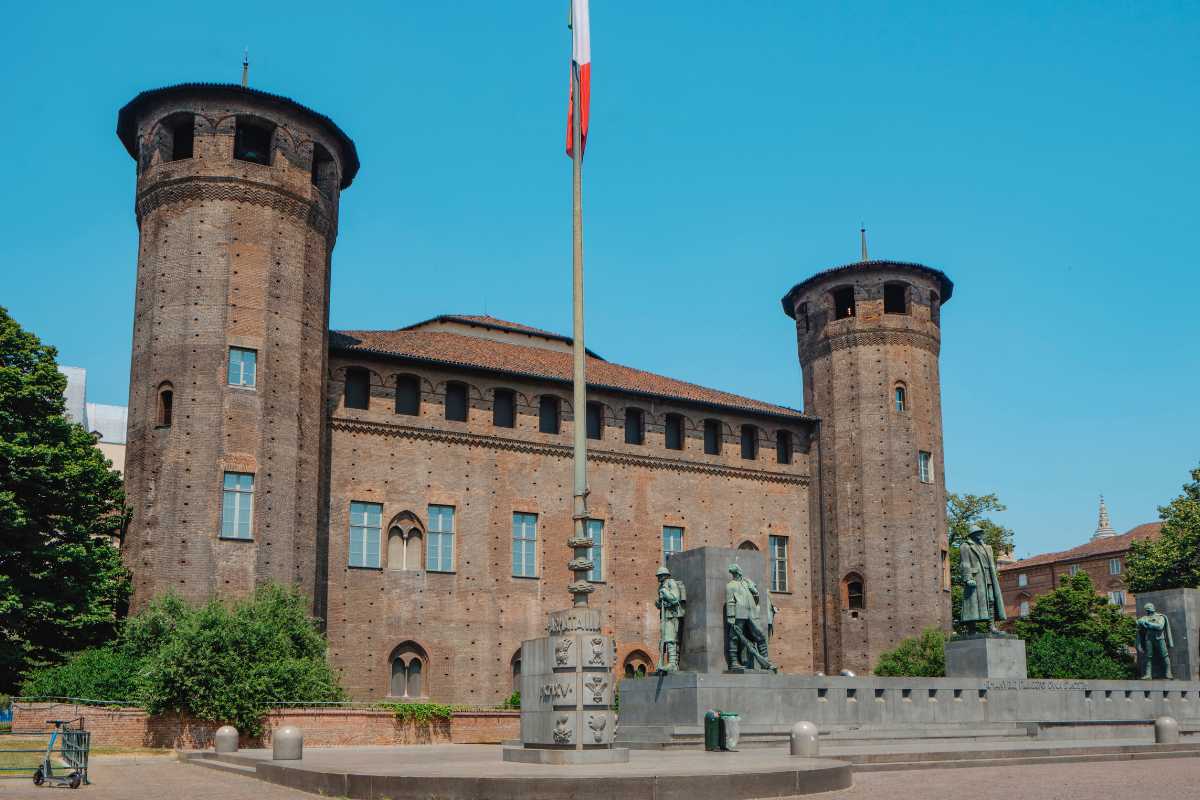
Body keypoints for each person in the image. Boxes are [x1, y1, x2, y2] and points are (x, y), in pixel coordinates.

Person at [724, 563, 773, 671]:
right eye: (738, 571)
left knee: (760, 634)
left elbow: (756, 599)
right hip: (739, 613)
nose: (740, 572)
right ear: (736, 572)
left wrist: (755, 591)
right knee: (734, 637)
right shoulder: (730, 585)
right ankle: (734, 662)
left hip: (752, 613)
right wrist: (731, 617)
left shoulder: (747, 583)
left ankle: (765, 660)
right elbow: (730, 602)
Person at [959, 525, 1006, 634]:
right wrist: (968, 577)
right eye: (978, 532)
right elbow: (964, 563)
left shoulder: (987, 547)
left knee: (991, 601)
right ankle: (972, 629)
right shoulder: (965, 546)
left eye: (981, 532)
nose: (980, 534)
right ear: (972, 534)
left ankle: (991, 627)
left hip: (988, 576)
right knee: (973, 603)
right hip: (976, 577)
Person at [655, 565, 686, 672]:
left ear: (665, 575)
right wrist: (658, 602)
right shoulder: (661, 586)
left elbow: (675, 598)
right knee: (663, 639)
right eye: (658, 576)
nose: (658, 578)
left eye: (660, 576)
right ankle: (664, 662)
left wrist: (665, 593)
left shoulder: (671, 583)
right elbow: (659, 604)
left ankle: (673, 663)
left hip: (672, 615)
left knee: (670, 638)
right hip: (664, 616)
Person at [1136, 602, 1174, 680]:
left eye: (1149, 608)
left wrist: (1148, 624)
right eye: (1148, 609)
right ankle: (1148, 674)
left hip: (1159, 638)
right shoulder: (1145, 617)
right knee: (1148, 657)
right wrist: (1141, 622)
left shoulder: (1160, 617)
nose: (1149, 610)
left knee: (1164, 655)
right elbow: (1137, 622)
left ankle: (1168, 673)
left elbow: (1160, 626)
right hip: (1149, 639)